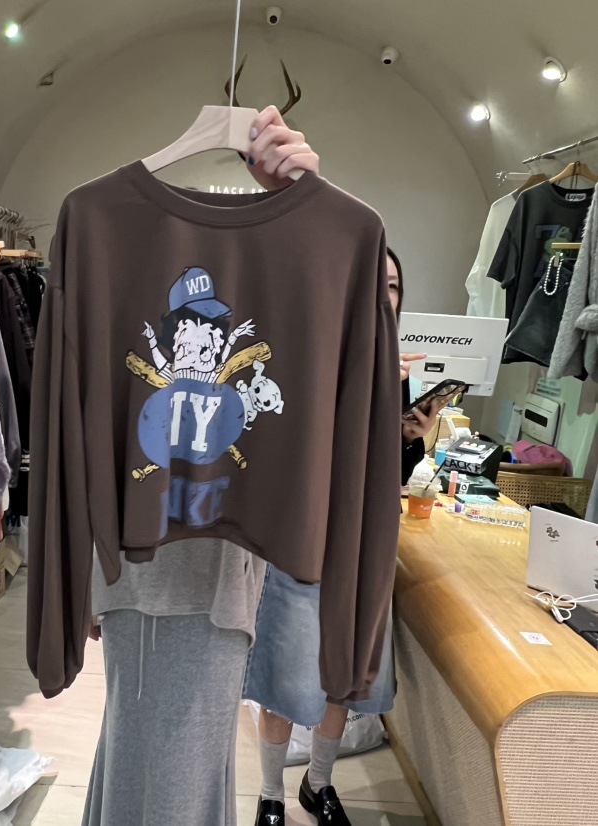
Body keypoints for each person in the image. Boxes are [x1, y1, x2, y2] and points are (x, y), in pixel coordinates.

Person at [81, 111, 322, 826]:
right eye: (191, 324)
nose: (202, 334)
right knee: (158, 759)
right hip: (150, 576)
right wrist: (87, 565)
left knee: (189, 757)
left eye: (211, 325)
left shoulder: (268, 309)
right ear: (173, 328)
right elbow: (86, 427)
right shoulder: (104, 235)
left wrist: (306, 200)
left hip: (226, 578)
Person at [242, 107, 440, 826]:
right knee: (281, 667)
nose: (383, 296)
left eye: (393, 288)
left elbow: (389, 477)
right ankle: (270, 793)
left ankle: (317, 784)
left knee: (346, 672)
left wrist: (412, 436)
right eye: (372, 283)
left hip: (363, 540)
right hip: (299, 534)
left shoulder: (398, 374)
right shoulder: (313, 351)